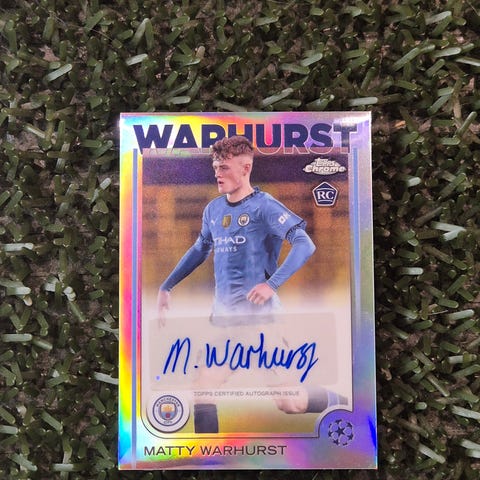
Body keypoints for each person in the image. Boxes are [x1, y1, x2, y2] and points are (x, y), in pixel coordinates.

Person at [156, 136, 345, 433]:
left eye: (224, 168)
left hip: (262, 323)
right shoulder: (213, 210)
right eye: (215, 168)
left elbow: (304, 245)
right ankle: (207, 454)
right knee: (203, 388)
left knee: (290, 403)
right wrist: (167, 286)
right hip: (224, 322)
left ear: (245, 169)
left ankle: (347, 404)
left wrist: (272, 285)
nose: (218, 174)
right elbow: (200, 249)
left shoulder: (264, 206)